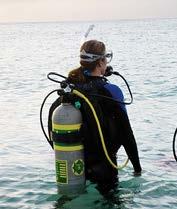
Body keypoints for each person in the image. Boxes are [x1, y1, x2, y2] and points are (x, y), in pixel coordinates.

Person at [48, 40, 142, 195]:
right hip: (104, 167)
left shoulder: (70, 90)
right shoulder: (111, 91)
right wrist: (137, 170)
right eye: (106, 59)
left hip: (74, 165)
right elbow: (127, 134)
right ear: (100, 63)